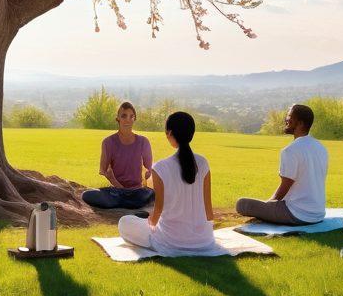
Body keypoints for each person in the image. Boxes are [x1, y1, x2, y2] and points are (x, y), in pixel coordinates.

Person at [118, 112, 217, 254]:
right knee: (140, 222)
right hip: (204, 241)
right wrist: (202, 234)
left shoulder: (160, 167)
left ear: (169, 133)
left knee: (125, 222)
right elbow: (209, 210)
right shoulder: (203, 163)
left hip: (171, 241)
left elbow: (158, 210)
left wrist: (151, 224)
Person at [235, 104, 328, 225]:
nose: (286, 119)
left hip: (297, 214)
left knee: (242, 204)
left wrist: (269, 204)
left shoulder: (290, 150)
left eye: (290, 117)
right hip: (318, 213)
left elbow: (285, 186)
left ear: (300, 123)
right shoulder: (321, 147)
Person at [80, 101, 155, 210]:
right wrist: (117, 185)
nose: (128, 120)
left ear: (135, 118)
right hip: (116, 191)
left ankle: (124, 201)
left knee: (151, 194)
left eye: (131, 116)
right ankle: (127, 202)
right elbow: (104, 170)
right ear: (118, 118)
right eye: (124, 116)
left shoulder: (143, 141)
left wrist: (148, 174)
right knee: (86, 195)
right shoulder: (108, 142)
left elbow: (149, 169)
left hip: (137, 192)